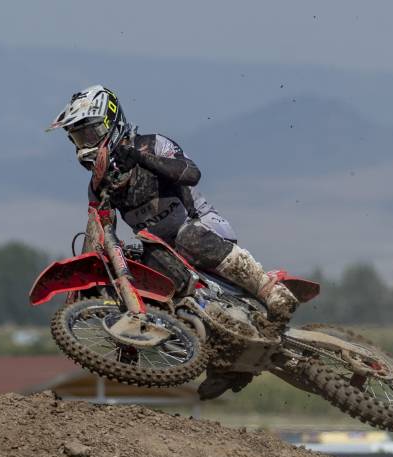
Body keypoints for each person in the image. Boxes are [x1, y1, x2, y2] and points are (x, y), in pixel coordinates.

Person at [46, 84, 299, 323]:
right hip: (163, 249)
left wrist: (140, 158)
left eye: (91, 133)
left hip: (200, 226)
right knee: (141, 266)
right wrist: (81, 290)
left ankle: (269, 291)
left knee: (187, 236)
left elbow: (192, 174)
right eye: (79, 138)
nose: (86, 143)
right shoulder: (99, 185)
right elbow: (98, 232)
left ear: (111, 122)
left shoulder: (151, 144)